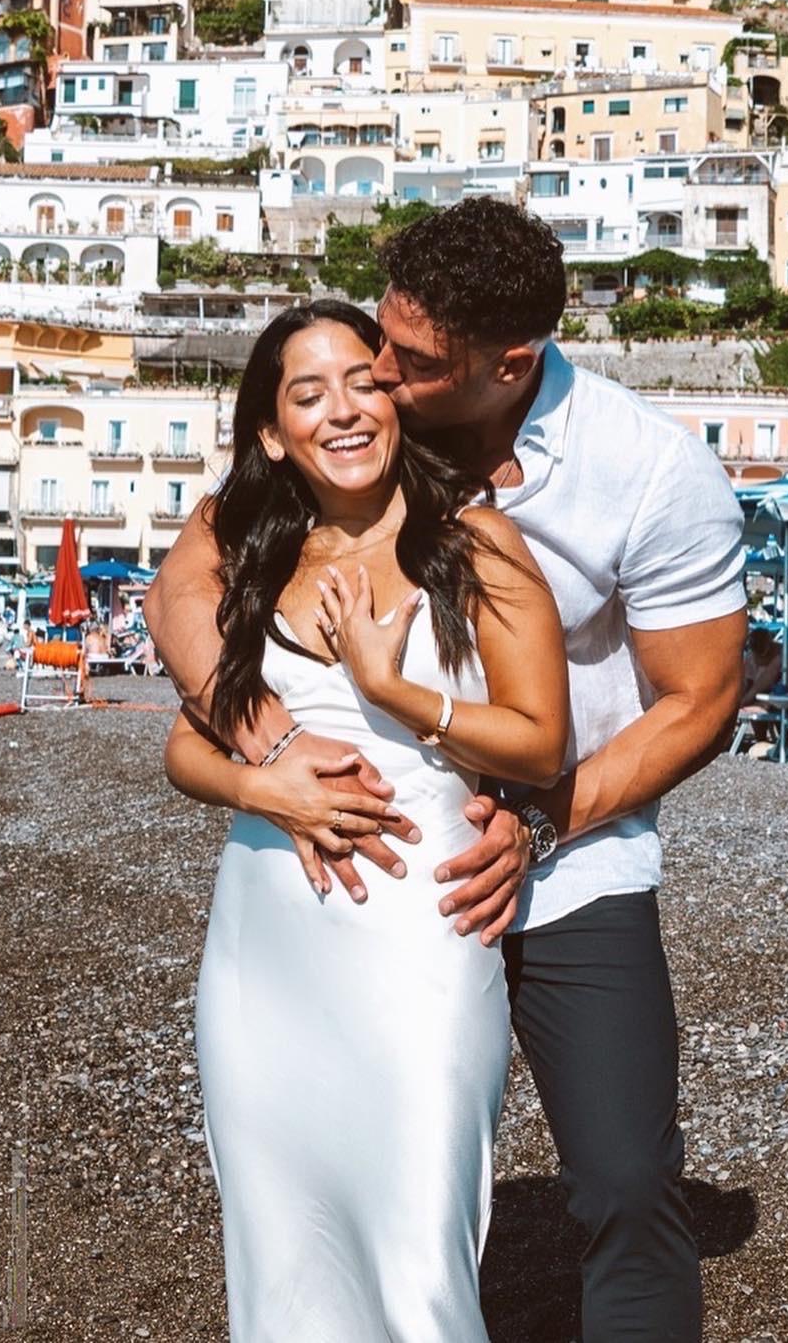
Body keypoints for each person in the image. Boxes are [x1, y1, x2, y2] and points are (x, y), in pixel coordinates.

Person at [147, 199, 746, 1340]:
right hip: (348, 900)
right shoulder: (353, 448)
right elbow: (187, 582)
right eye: (377, 337)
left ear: (505, 363)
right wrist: (261, 742)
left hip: (577, 854)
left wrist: (538, 819)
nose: (373, 369)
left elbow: (702, 698)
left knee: (623, 1181)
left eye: (406, 361)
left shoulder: (648, 473)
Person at [164, 301, 567, 1340]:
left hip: (421, 937)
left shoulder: (475, 539)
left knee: (419, 1249)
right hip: (265, 954)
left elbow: (540, 740)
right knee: (281, 1253)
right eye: (308, 393)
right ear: (269, 430)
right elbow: (182, 747)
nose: (342, 410)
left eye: (363, 381)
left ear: (397, 397)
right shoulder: (252, 549)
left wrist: (397, 691)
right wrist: (267, 785)